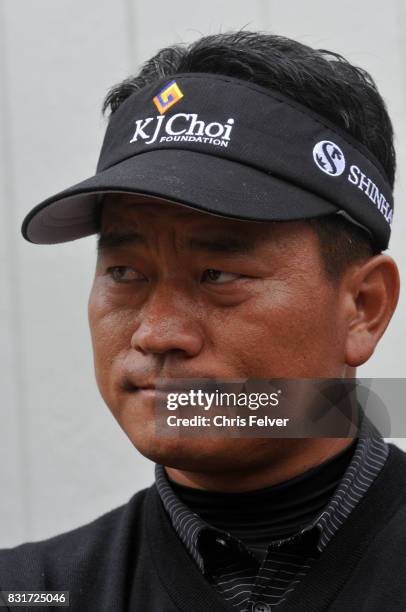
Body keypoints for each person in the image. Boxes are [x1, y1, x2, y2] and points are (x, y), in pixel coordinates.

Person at [0, 30, 404, 612]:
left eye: (217, 274)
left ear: (363, 307)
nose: (157, 333)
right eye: (124, 272)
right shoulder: (34, 591)